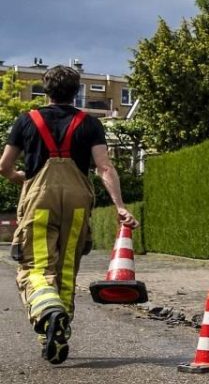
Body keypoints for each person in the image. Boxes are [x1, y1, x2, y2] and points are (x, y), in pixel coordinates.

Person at [2, 65, 134, 365]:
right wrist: (120, 205)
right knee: (65, 269)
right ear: (76, 92)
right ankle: (56, 335)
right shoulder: (88, 123)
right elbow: (104, 167)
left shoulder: (27, 120)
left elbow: (3, 166)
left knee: (35, 267)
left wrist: (23, 179)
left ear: (45, 90)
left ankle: (49, 314)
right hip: (77, 200)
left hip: (40, 199)